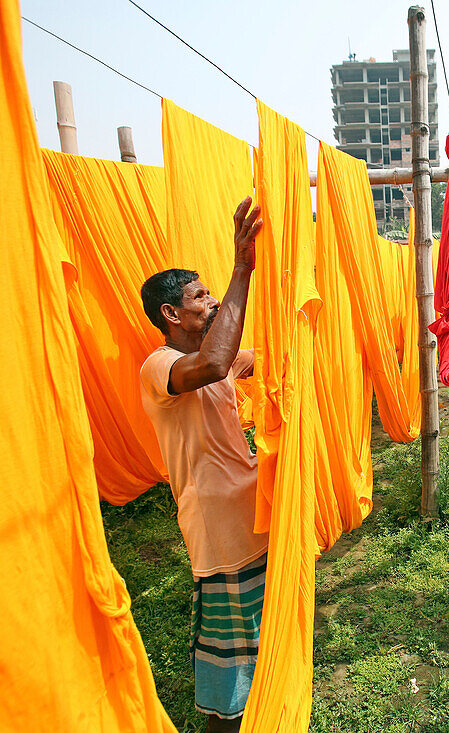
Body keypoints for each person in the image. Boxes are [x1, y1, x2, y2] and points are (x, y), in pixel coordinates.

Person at [138, 197, 265, 732]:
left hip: (255, 515)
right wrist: (242, 271)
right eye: (200, 296)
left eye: (212, 293)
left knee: (260, 643)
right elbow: (214, 363)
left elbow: (245, 357)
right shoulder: (159, 366)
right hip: (218, 532)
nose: (212, 302)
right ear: (172, 314)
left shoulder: (220, 358)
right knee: (229, 663)